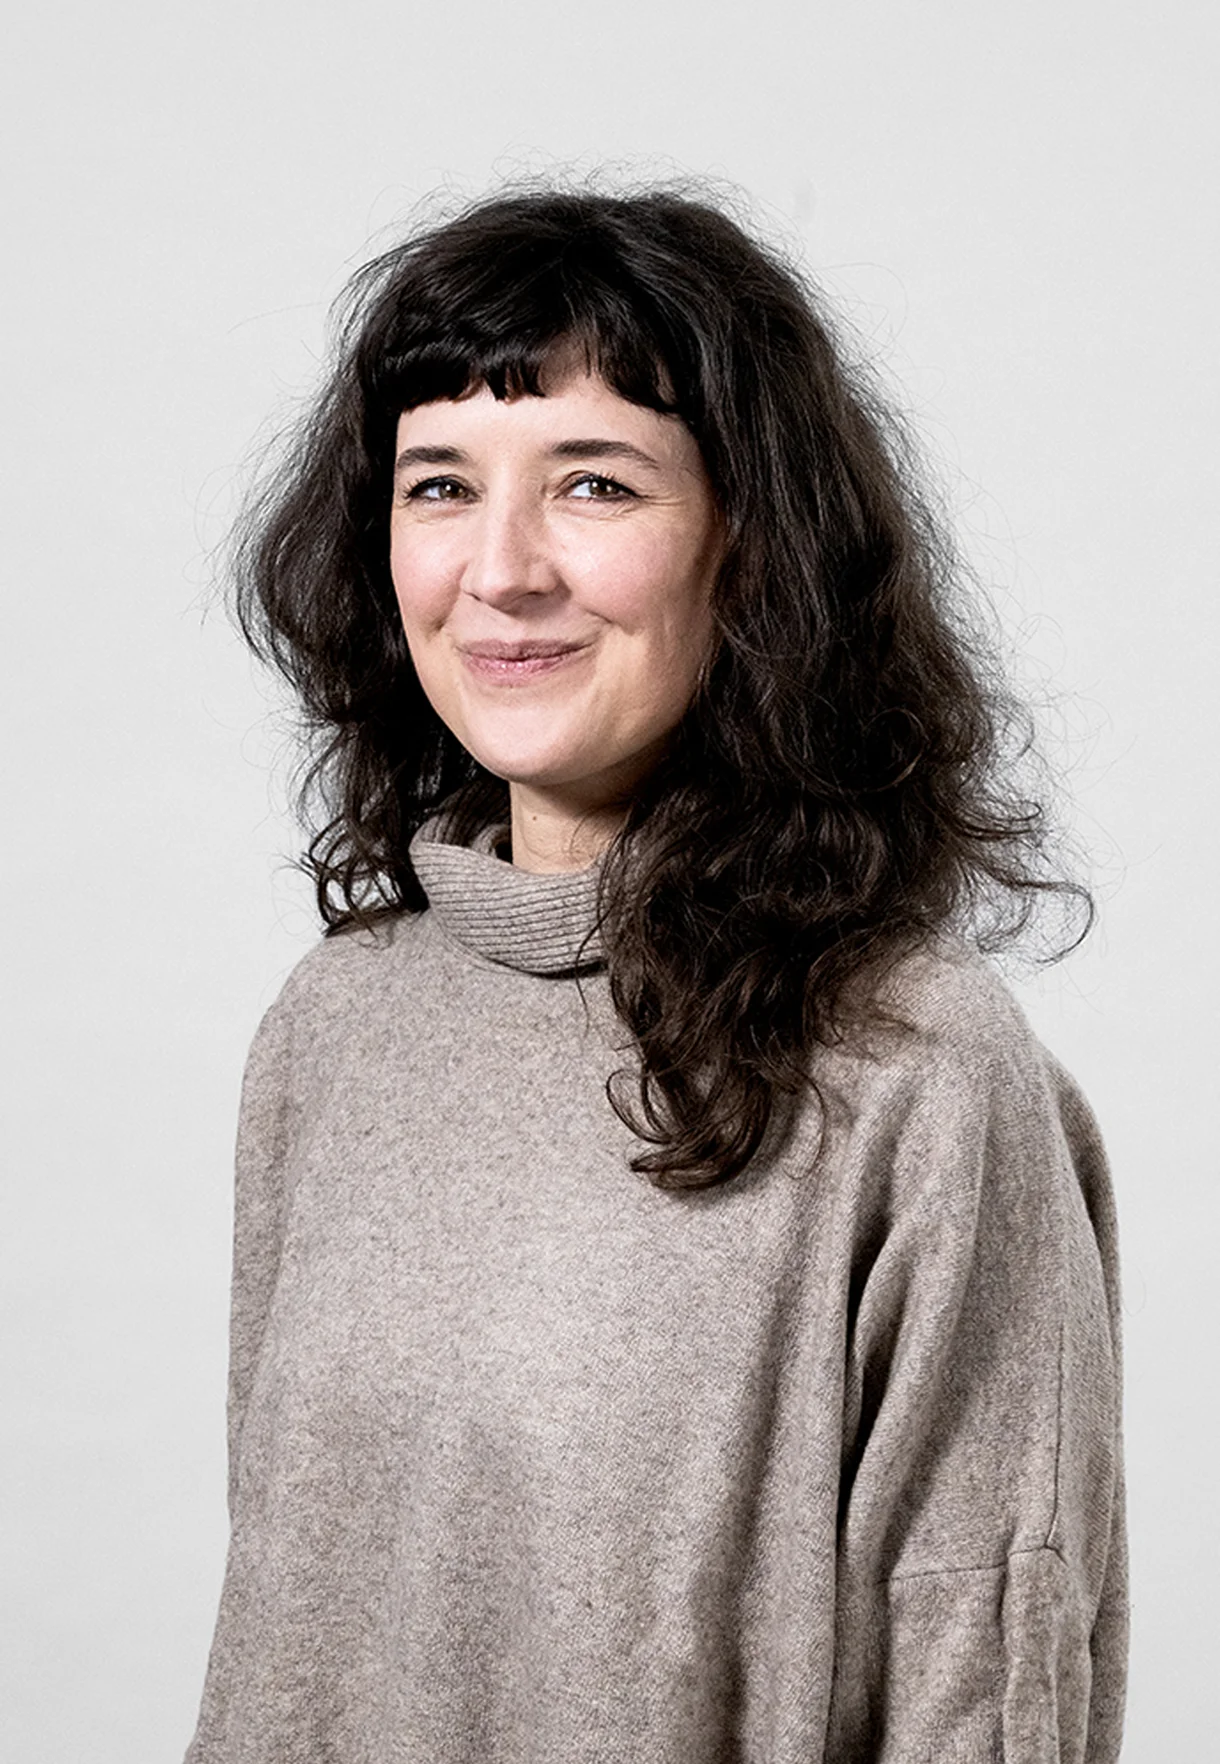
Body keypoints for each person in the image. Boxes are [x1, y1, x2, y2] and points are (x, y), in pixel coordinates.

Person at [185, 187, 1126, 1763]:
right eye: (439, 486)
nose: (502, 570)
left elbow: (988, 1695)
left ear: (748, 549)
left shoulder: (920, 1071)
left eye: (595, 484)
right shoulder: (335, 1031)